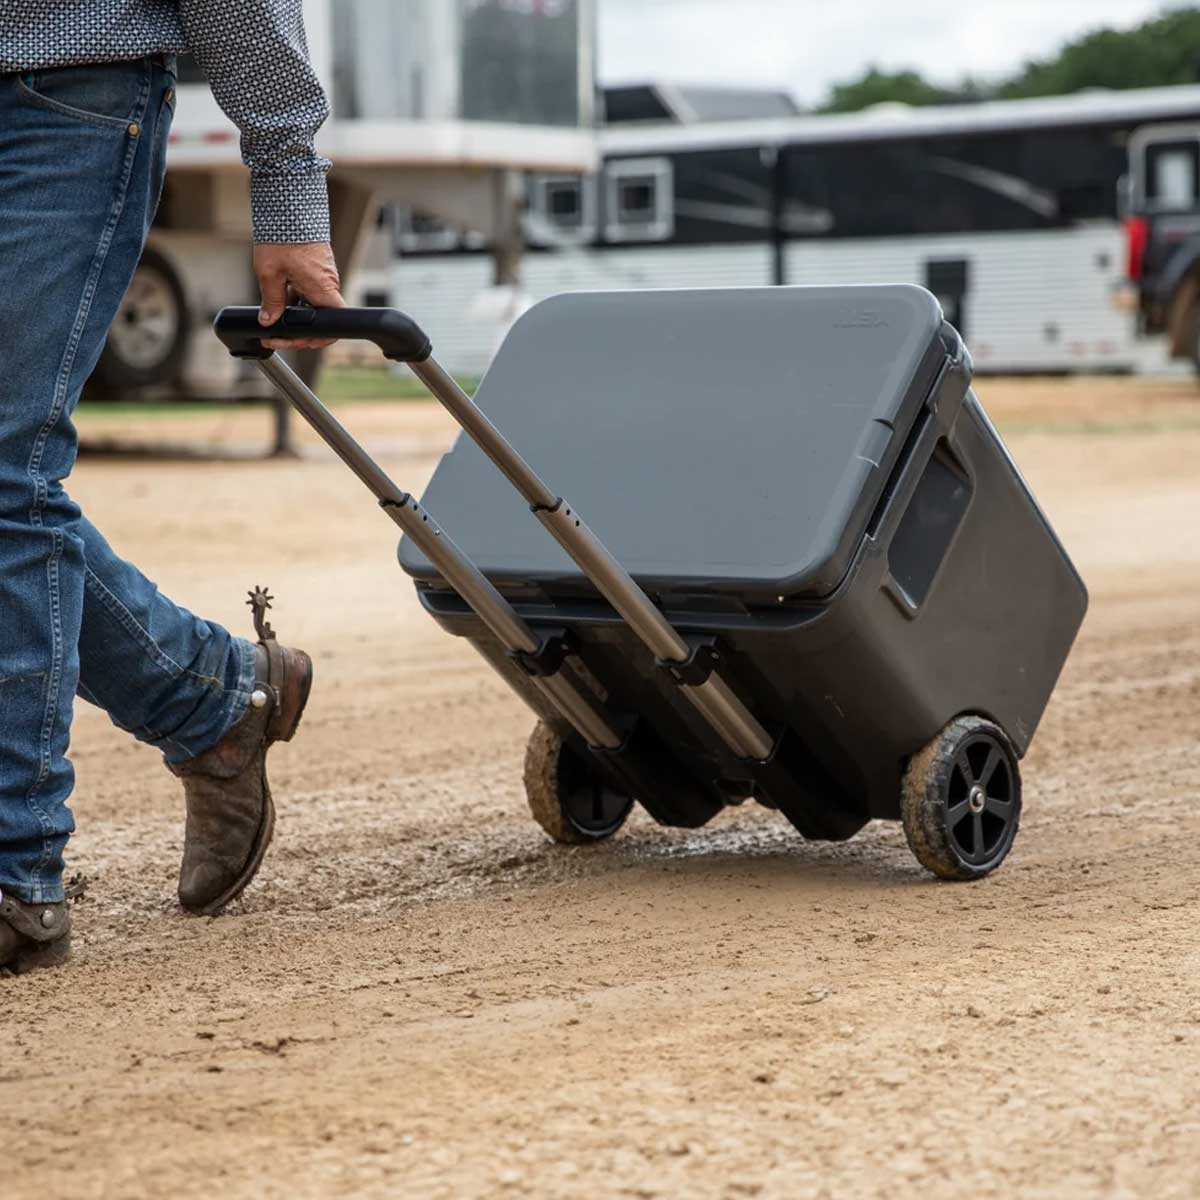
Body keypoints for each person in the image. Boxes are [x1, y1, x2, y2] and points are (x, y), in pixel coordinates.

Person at [0, 1, 346, 973]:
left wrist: (287, 185)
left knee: (4, 471)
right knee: (5, 485)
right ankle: (209, 696)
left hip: (61, 96)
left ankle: (16, 876)